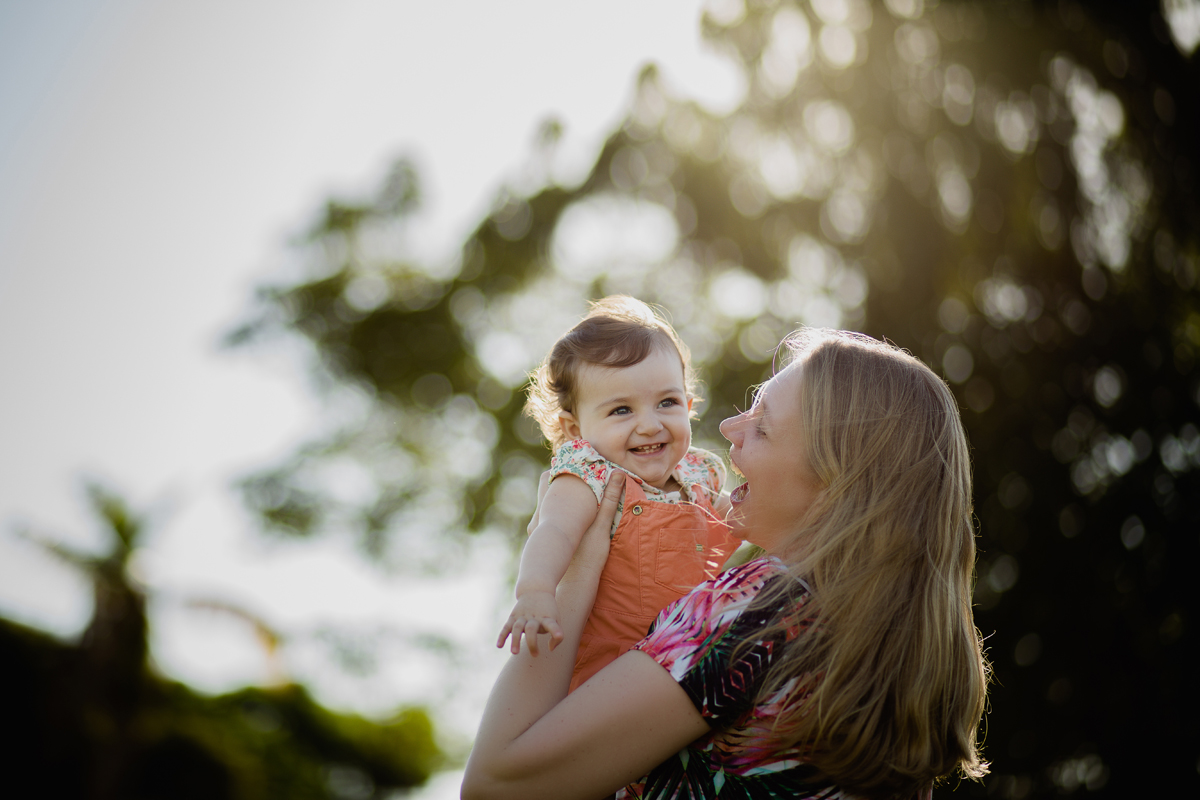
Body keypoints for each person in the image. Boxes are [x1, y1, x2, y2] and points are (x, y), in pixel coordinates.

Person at [463, 328, 990, 800]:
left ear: (836, 476)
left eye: (763, 428)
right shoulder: (888, 649)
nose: (728, 427)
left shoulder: (760, 609)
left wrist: (577, 572)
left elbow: (494, 788)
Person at [497, 296, 740, 692]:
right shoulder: (589, 475)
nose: (650, 425)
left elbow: (742, 517)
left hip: (686, 661)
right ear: (575, 430)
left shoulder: (698, 474)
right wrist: (536, 591)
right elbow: (554, 531)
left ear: (689, 405)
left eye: (667, 402)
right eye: (622, 410)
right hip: (603, 669)